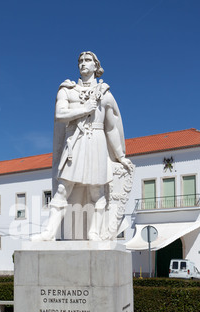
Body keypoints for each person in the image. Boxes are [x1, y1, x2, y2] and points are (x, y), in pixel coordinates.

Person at [33, 51, 133, 241]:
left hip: (96, 141)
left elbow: (111, 128)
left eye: (88, 60)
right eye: (80, 61)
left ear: (96, 66)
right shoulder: (67, 89)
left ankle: (94, 232)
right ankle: (49, 232)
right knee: (63, 188)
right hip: (74, 142)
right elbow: (60, 114)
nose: (83, 64)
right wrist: (84, 110)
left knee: (97, 191)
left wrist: (120, 156)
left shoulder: (105, 94)